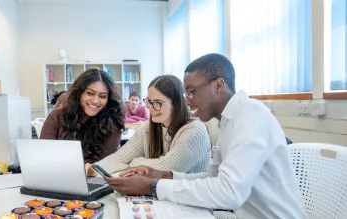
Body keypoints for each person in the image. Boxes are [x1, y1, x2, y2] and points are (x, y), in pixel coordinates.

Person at [103, 54, 307, 219]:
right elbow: (214, 176)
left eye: (191, 92)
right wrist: (166, 175)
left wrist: (153, 187)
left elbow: (229, 193)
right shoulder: (229, 120)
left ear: (218, 85)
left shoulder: (251, 115)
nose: (188, 101)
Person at [88, 75, 211, 175]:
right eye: (148, 101)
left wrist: (135, 161)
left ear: (177, 103)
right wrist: (93, 169)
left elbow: (167, 168)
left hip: (190, 201)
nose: (150, 108)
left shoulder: (194, 131)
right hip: (161, 196)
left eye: (157, 103)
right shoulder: (148, 127)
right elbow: (120, 158)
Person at [40, 68, 125, 164]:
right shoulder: (56, 116)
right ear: (79, 93)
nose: (95, 100)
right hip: (57, 174)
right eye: (90, 93)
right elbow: (44, 155)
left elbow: (106, 163)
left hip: (96, 177)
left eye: (102, 96)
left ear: (108, 99)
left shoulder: (112, 123)